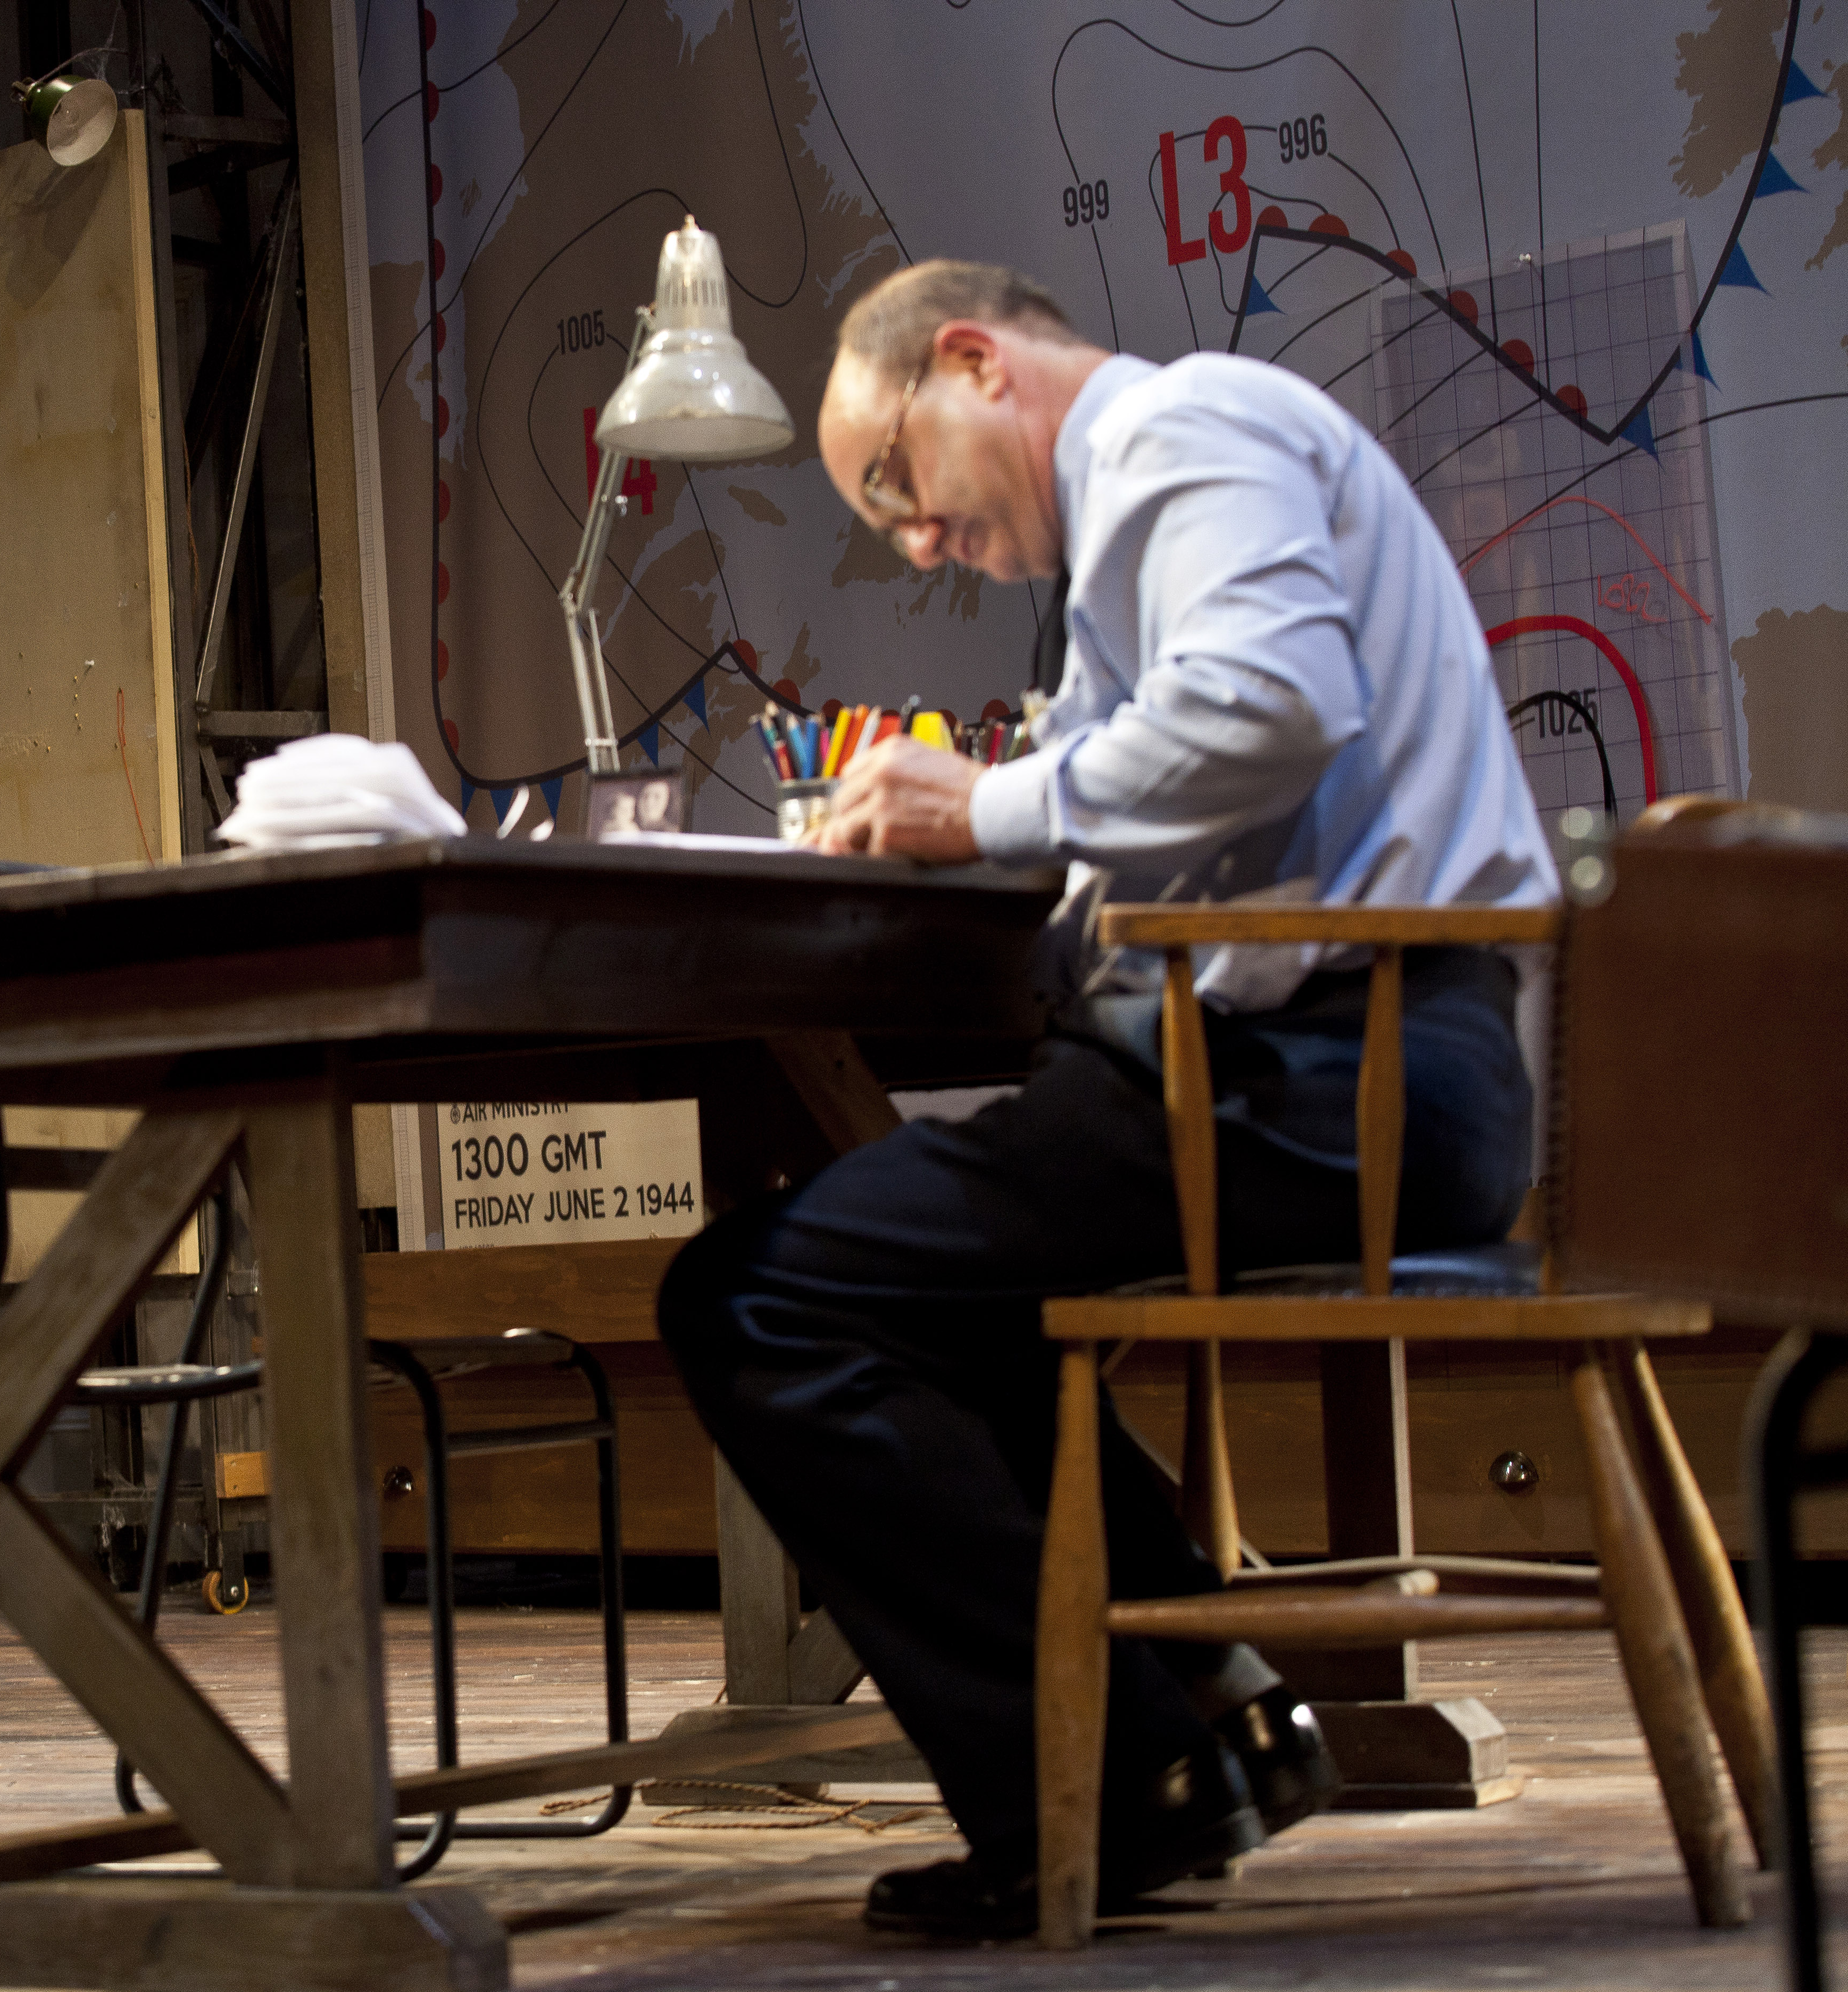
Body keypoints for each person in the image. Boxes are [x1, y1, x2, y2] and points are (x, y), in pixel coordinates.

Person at [657, 261, 1556, 1938]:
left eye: (897, 488)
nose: (917, 542)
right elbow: (1172, 770)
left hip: (1336, 1078)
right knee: (935, 1287)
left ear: (974, 365)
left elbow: (1272, 709)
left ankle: (1102, 1786)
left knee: (758, 1292)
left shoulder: (1179, 428)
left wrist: (989, 804)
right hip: (1367, 1068)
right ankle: (1207, 1727)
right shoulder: (1150, 514)